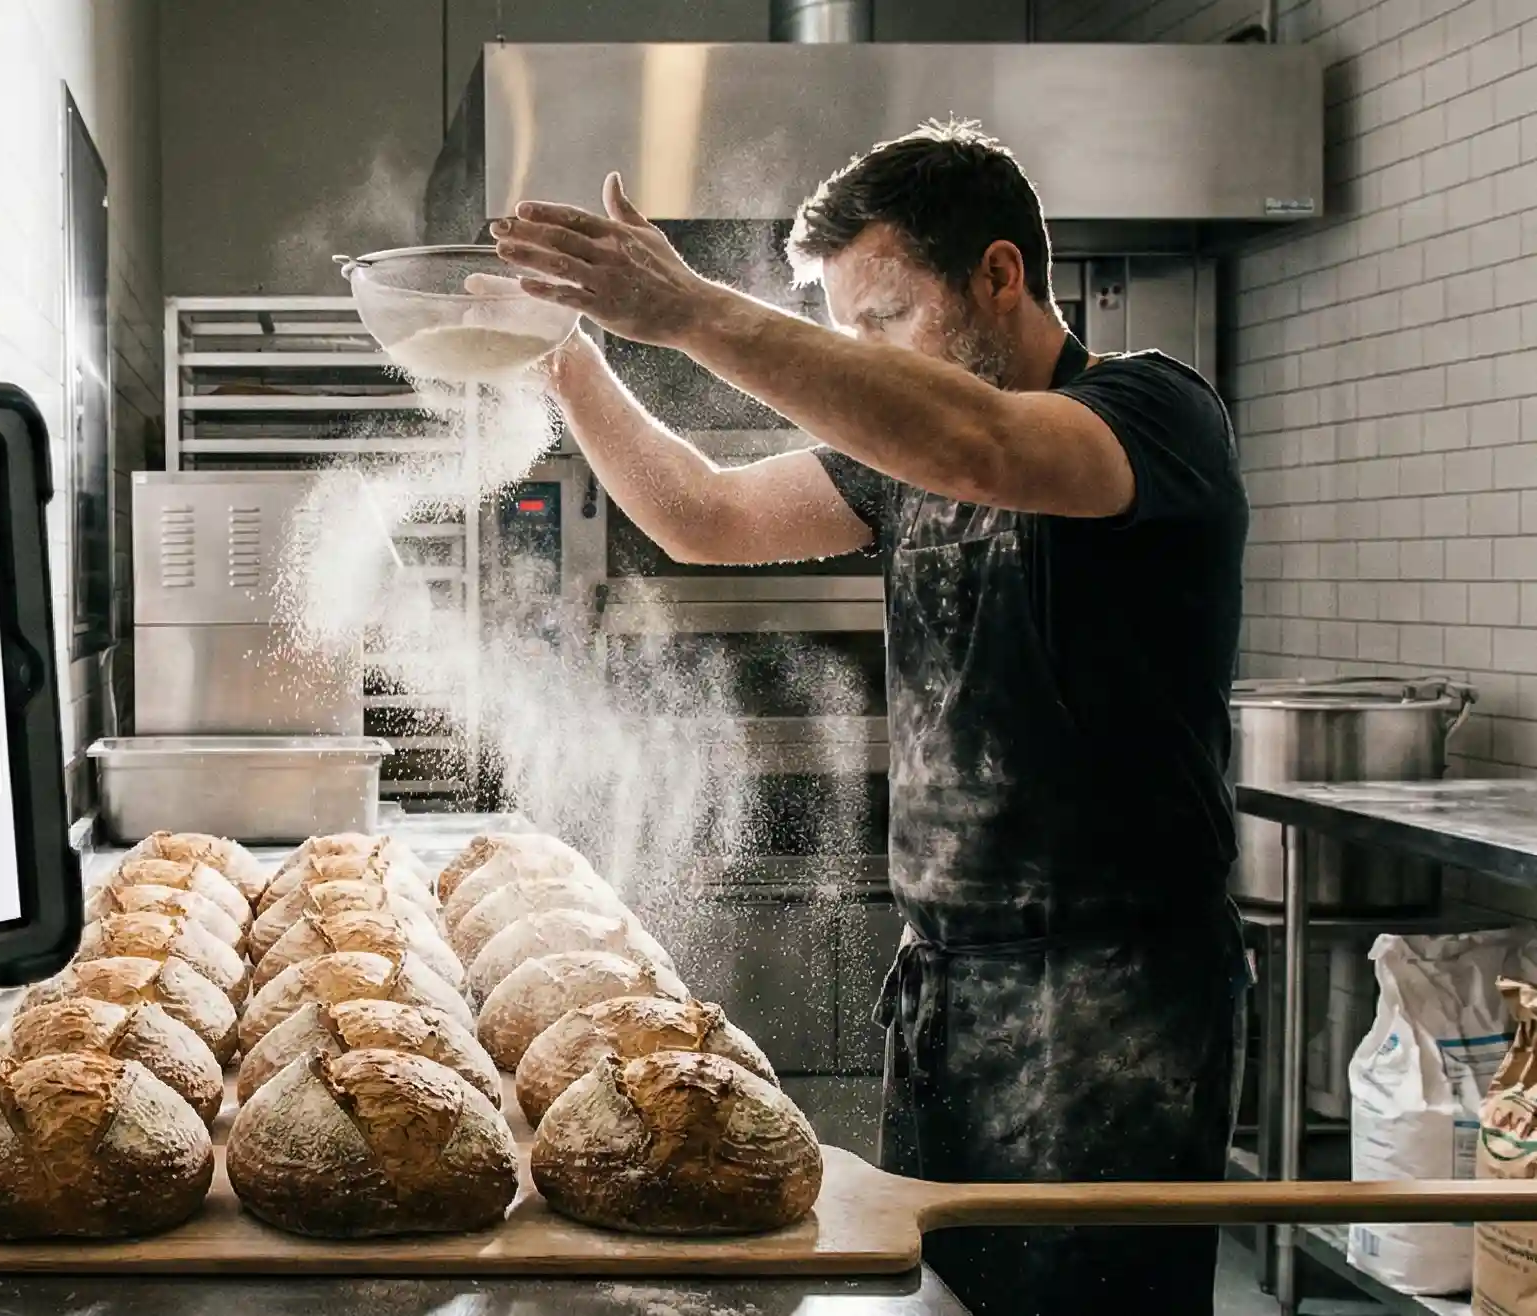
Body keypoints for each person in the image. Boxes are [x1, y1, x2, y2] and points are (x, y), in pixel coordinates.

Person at [496, 121, 1249, 1316]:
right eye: (849, 330)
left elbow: (982, 443)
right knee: (935, 1301)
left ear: (998, 276)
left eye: (886, 318)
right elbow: (701, 513)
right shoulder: (901, 455)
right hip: (946, 989)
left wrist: (690, 313)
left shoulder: (1153, 416)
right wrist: (566, 357)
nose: (865, 360)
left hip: (1113, 1002)